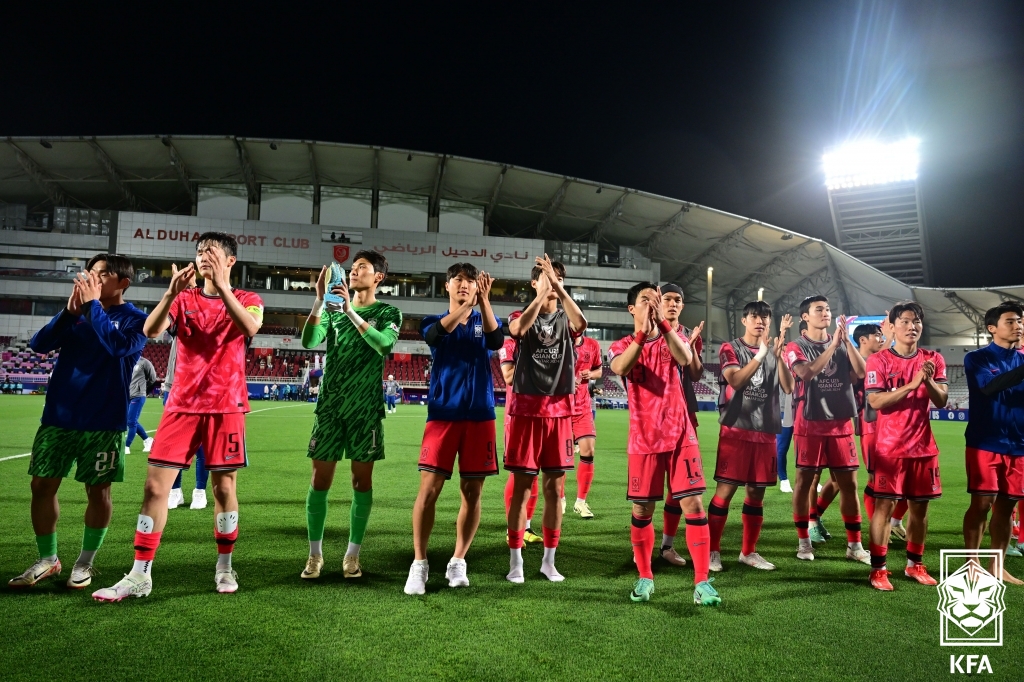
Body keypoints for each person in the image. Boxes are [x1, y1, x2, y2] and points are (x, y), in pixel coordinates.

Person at [92, 232, 263, 601]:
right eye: (199, 251)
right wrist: (170, 294)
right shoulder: (183, 299)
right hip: (181, 404)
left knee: (223, 489)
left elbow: (250, 328)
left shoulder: (249, 299)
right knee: (155, 488)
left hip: (226, 406)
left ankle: (224, 565)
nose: (203, 256)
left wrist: (222, 287)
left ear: (230, 261)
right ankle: (140, 574)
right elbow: (151, 330)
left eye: (211, 251)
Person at [9, 255, 147, 590]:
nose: (92, 279)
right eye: (90, 273)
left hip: (104, 421)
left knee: (98, 492)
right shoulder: (77, 313)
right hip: (59, 416)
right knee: (41, 486)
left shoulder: (137, 319)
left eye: (102, 274)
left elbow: (117, 347)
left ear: (123, 283)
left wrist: (92, 306)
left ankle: (85, 562)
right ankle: (48, 559)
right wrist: (68, 313)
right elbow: (39, 344)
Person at [610, 283, 719, 606]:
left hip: (680, 435)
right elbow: (620, 367)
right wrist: (642, 335)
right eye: (646, 300)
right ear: (632, 309)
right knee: (642, 509)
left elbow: (685, 358)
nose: (653, 304)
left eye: (656, 300)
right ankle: (645, 576)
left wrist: (662, 324)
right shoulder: (621, 345)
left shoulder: (673, 337)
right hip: (643, 439)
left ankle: (702, 582)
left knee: (694, 505)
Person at [299, 251, 401, 581]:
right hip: (330, 407)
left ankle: (352, 555)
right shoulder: (333, 311)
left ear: (378, 277)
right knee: (320, 481)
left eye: (362, 268)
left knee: (361, 482)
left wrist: (350, 313)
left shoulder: (388, 312)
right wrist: (319, 301)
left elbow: (383, 345)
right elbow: (309, 341)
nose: (354, 272)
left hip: (365, 410)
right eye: (352, 268)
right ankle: (315, 554)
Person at [404, 263, 504, 594]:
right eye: (458, 280)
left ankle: (458, 560)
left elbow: (496, 340)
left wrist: (484, 302)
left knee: (473, 492)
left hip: (480, 416)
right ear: (446, 285)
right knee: (429, 490)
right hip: (443, 415)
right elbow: (436, 336)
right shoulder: (433, 321)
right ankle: (419, 563)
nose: (465, 284)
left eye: (471, 281)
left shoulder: (484, 319)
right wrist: (465, 306)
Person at [504, 256, 586, 583]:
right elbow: (517, 330)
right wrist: (542, 295)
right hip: (526, 411)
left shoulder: (567, 318)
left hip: (560, 413)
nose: (552, 283)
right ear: (533, 283)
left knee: (555, 489)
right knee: (523, 488)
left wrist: (558, 289)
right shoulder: (520, 315)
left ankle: (549, 562)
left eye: (557, 279)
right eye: (546, 278)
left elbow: (581, 323)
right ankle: (516, 563)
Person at [865, 301, 947, 590]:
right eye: (906, 322)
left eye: (917, 322)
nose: (912, 327)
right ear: (892, 326)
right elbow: (876, 401)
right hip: (890, 449)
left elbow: (941, 400)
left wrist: (927, 381)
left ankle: (915, 565)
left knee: (920, 511)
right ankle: (878, 569)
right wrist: (911, 385)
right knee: (884, 508)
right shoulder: (878, 361)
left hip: (924, 449)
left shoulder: (933, 359)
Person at [707, 301, 794, 572]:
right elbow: (735, 380)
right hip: (736, 431)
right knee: (725, 491)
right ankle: (712, 551)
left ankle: (748, 552)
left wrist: (778, 356)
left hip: (765, 432)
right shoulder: (730, 348)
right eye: (755, 317)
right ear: (744, 320)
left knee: (756, 494)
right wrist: (761, 355)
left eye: (765, 317)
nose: (760, 321)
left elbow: (789, 387)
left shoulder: (774, 350)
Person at [783, 295, 869, 564]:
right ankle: (804, 541)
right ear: (805, 317)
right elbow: (806, 373)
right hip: (810, 423)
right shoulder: (795, 346)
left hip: (841, 424)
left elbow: (861, 374)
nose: (826, 313)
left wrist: (847, 343)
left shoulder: (842, 343)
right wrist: (832, 346)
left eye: (828, 309)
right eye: (819, 309)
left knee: (849, 484)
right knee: (804, 482)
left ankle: (855, 545)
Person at [811, 323, 911, 541]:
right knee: (854, 479)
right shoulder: (851, 362)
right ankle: (816, 519)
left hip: (890, 426)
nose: (881, 339)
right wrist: (889, 337)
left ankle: (893, 522)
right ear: (863, 340)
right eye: (877, 335)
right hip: (866, 426)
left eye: (881, 335)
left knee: (903, 477)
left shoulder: (884, 359)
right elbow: (864, 373)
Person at [962, 302, 1024, 584]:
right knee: (982, 503)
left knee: (1007, 507)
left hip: (1019, 445)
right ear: (992, 328)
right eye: (1010, 321)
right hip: (985, 442)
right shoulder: (977, 358)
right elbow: (989, 386)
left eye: (1020, 321)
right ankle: (971, 563)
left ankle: (996, 565)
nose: (1018, 326)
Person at [656, 283, 705, 566]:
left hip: (685, 416)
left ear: (682, 305)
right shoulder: (650, 332)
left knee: (679, 486)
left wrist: (693, 346)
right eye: (667, 299)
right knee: (648, 489)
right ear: (659, 302)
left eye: (677, 300)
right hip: (653, 419)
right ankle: (642, 544)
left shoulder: (688, 334)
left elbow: (696, 374)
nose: (672, 304)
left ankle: (667, 546)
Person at [500, 336, 542, 544]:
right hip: (516, 418)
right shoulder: (509, 345)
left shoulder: (543, 344)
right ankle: (512, 529)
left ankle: (526, 527)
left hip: (540, 415)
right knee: (518, 476)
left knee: (534, 475)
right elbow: (509, 377)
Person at [163, 338, 208, 511]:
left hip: (202, 388)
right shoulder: (177, 323)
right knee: (175, 445)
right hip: (174, 387)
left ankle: (200, 490)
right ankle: (175, 491)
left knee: (202, 446)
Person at [569, 332, 603, 519]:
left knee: (588, 451)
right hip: (560, 408)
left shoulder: (592, 345)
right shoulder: (557, 343)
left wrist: (590, 374)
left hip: (583, 407)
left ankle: (580, 502)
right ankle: (560, 498)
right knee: (562, 457)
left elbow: (599, 370)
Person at [125, 355, 157, 455]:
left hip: (138, 395)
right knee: (131, 421)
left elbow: (153, 378)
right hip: (129, 395)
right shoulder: (128, 361)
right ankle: (148, 440)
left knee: (131, 422)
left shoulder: (144, 362)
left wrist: (142, 389)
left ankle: (126, 446)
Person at [777, 389, 795, 493]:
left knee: (805, 446)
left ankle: (812, 479)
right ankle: (783, 480)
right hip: (783, 410)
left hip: (801, 408)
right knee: (782, 448)